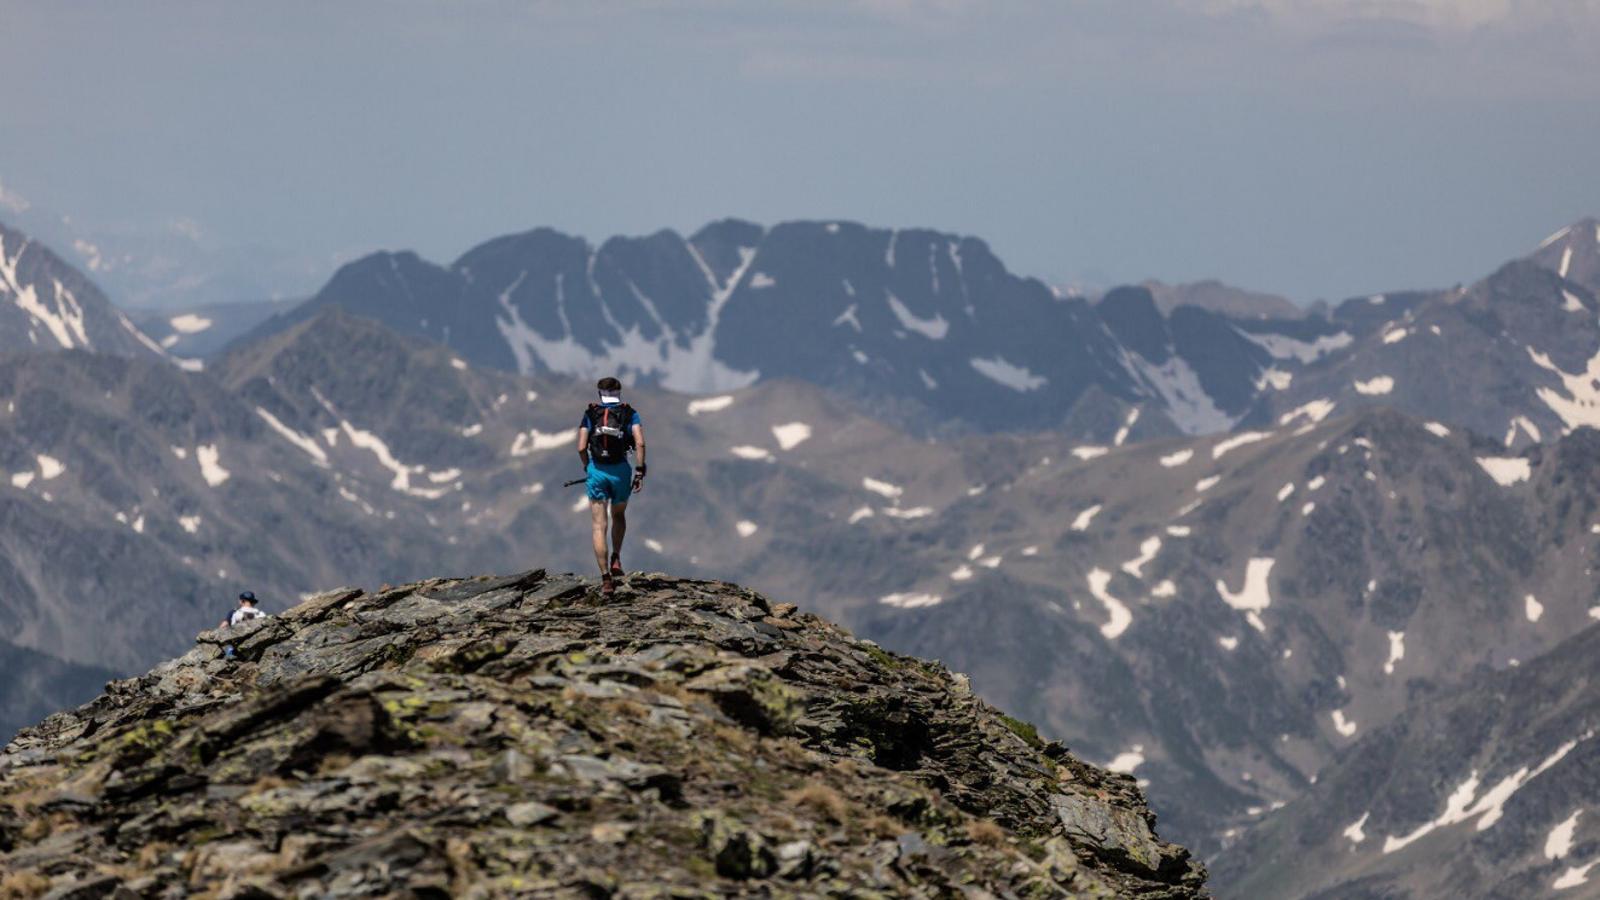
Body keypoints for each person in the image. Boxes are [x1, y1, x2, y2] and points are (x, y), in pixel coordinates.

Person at [576, 376, 646, 596]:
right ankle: (616, 556)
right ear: (619, 392)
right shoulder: (629, 413)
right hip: (620, 472)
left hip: (597, 471)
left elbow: (580, 447)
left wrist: (588, 467)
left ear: (599, 393)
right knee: (619, 515)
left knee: (599, 525)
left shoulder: (591, 414)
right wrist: (640, 471)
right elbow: (640, 442)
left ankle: (606, 579)